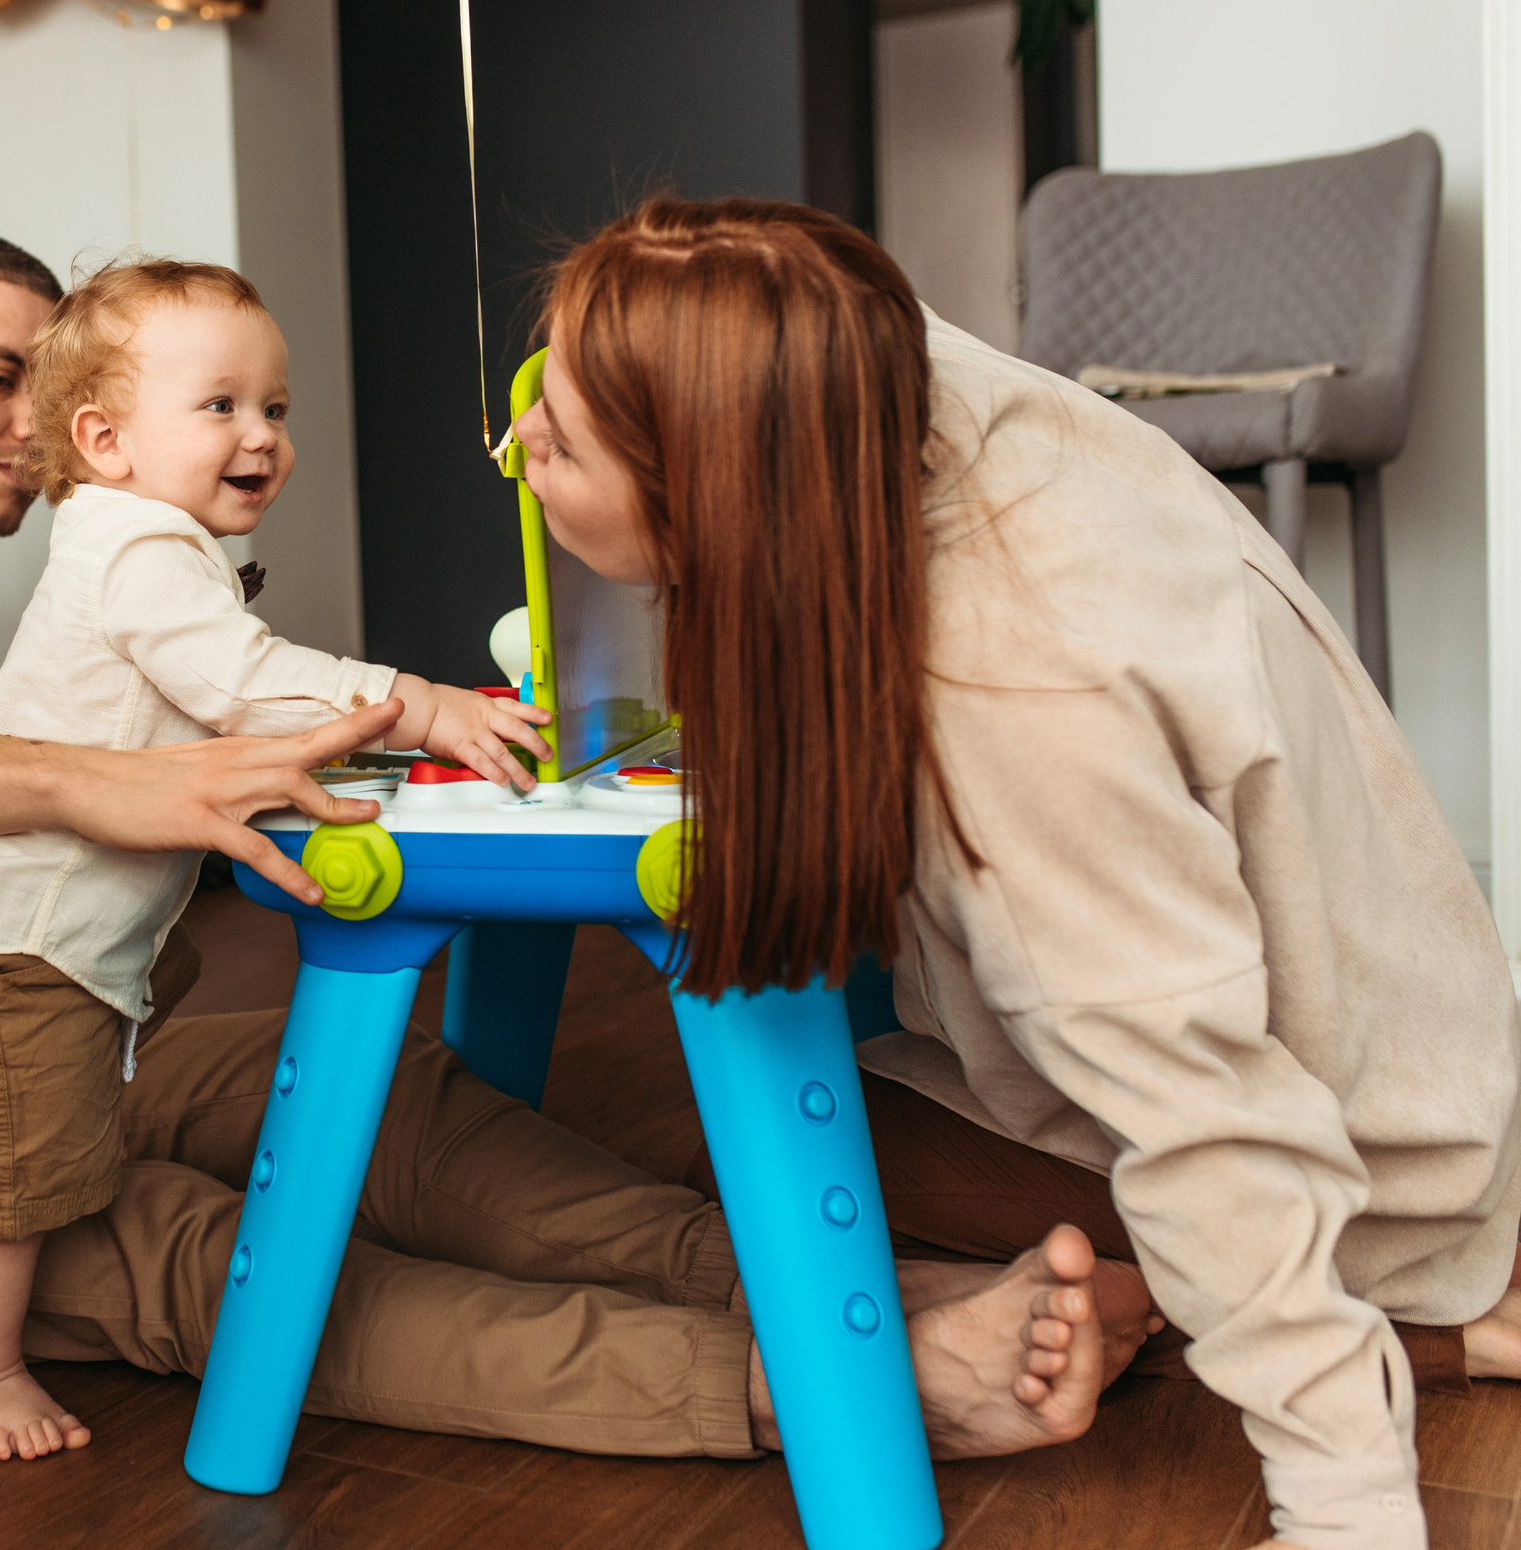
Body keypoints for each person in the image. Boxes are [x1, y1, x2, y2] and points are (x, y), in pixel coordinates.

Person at [0, 227, 1141, 1480]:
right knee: (195, 1246)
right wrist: (96, 785)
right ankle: (840, 1391)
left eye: (53, 377)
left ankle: (859, 1286)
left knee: (382, 1099)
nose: (36, 421)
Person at [509, 194, 1521, 1550]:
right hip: (1418, 1054)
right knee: (785, 1132)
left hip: (1365, 1161)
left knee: (774, 1157)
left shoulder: (1017, 697)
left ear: (720, 486)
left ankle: (1455, 1320)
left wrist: (1345, 1502)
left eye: (560, 439)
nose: (517, 446)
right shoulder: (897, 388)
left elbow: (1208, 1120)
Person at [0, 258, 550, 1459]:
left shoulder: (146, 536)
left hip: (25, 922)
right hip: (8, 936)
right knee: (9, 1179)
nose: (261, 435)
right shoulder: (136, 550)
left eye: (275, 408)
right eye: (222, 406)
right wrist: (417, 702)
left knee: (64, 1113)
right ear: (104, 438)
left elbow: (224, 698)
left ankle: (61, 1181)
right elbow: (241, 684)